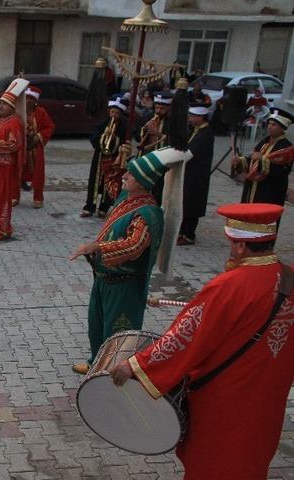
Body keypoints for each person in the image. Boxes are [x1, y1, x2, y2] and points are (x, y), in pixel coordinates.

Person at [109, 203, 294, 480]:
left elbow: (185, 337)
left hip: (226, 399)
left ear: (241, 247)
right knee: (253, 457)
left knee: (215, 462)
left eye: (231, 243)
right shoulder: (289, 278)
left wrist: (135, 365)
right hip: (269, 396)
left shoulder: (229, 286)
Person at [69, 148, 192, 374]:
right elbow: (112, 180)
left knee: (118, 332)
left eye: (131, 175)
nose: (125, 176)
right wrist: (120, 156)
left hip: (125, 284)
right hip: (104, 279)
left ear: (143, 182)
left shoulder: (148, 213)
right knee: (97, 326)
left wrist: (98, 247)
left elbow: (133, 247)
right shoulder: (127, 198)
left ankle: (112, 373)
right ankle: (95, 363)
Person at [0, 79, 27, 241]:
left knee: (2, 196)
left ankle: (5, 228)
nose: (0, 107)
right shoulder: (2, 120)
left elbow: (13, 145)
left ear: (12, 107)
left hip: (3, 166)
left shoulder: (14, 122)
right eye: (0, 104)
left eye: (4, 104)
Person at [233, 109, 293, 207]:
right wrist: (240, 160)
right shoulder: (265, 142)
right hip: (253, 186)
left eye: (274, 125)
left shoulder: (286, 147)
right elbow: (253, 158)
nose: (269, 127)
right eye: (269, 123)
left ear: (282, 128)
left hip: (270, 189)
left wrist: (262, 158)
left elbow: (281, 169)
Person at [82, 98, 128, 218]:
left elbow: (125, 141)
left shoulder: (124, 126)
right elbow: (93, 139)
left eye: (116, 113)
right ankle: (89, 207)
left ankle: (104, 207)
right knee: (94, 181)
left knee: (109, 182)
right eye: (112, 112)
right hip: (99, 156)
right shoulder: (102, 124)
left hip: (114, 157)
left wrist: (114, 137)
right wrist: (104, 135)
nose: (114, 115)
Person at [178, 104, 214, 245]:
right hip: (188, 172)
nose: (190, 119)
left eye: (192, 116)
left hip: (197, 174)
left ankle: (188, 234)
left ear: (201, 117)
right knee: (185, 201)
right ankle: (181, 231)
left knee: (192, 203)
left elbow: (191, 153)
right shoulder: (195, 130)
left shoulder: (205, 134)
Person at [20, 85, 55, 208]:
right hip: (21, 148)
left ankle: (38, 197)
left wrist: (39, 136)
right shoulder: (18, 111)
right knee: (17, 172)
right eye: (26, 98)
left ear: (35, 101)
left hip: (36, 149)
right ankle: (14, 196)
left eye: (31, 99)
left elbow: (49, 126)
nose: (28, 101)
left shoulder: (41, 112)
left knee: (38, 173)